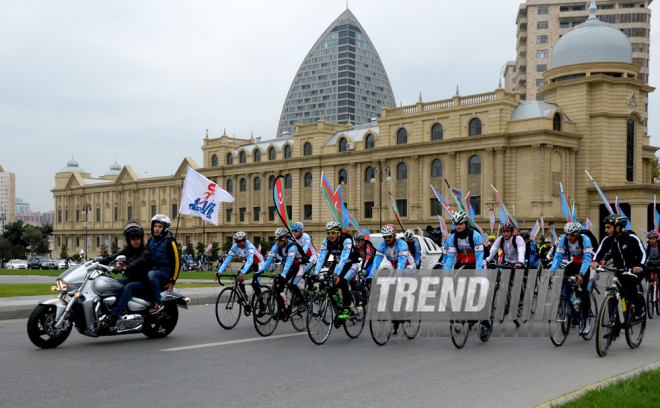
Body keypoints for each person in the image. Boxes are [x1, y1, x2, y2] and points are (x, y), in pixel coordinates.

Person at [591, 214, 647, 318]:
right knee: (615, 291)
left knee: (628, 283)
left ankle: (639, 307)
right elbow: (599, 252)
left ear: (617, 227)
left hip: (634, 270)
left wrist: (640, 266)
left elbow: (643, 253)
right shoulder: (608, 240)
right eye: (605, 227)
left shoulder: (631, 237)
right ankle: (615, 326)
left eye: (608, 227)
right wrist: (595, 261)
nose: (606, 230)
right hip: (620, 271)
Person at [98, 222, 151, 328]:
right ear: (129, 240)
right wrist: (97, 261)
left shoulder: (145, 250)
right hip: (131, 278)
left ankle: (115, 316)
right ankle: (107, 309)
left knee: (129, 287)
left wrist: (124, 268)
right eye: (133, 238)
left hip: (143, 281)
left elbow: (138, 263)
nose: (136, 241)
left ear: (141, 238)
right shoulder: (128, 249)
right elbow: (114, 256)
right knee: (110, 283)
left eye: (138, 238)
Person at [550, 222, 594, 334]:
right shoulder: (564, 239)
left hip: (586, 263)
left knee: (584, 292)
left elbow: (587, 259)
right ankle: (568, 302)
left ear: (578, 234)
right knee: (563, 277)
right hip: (575, 261)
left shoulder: (585, 239)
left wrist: (581, 274)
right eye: (567, 234)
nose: (569, 237)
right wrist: (552, 270)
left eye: (572, 235)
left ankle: (586, 320)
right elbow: (558, 256)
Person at [372, 224, 416, 334]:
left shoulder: (402, 244)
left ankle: (409, 301)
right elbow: (377, 261)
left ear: (394, 236)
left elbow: (402, 263)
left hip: (408, 266)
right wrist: (371, 276)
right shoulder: (382, 245)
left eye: (389, 236)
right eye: (385, 237)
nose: (387, 239)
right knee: (390, 295)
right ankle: (395, 322)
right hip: (395, 267)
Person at [314, 221, 362, 319]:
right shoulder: (326, 242)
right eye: (328, 233)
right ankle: (338, 307)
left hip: (353, 263)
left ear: (338, 232)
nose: (330, 235)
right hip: (339, 264)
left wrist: (336, 274)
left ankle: (347, 308)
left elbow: (344, 258)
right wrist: (316, 273)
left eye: (333, 232)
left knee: (343, 281)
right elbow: (321, 258)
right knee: (329, 284)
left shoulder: (346, 240)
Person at [257, 228, 306, 307]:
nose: (278, 242)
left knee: (292, 285)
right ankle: (282, 309)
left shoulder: (292, 246)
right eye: (276, 239)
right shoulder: (276, 246)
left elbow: (289, 261)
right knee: (279, 287)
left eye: (280, 240)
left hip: (300, 265)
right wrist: (261, 271)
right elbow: (269, 260)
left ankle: (302, 302)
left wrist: (283, 274)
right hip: (291, 266)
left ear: (286, 239)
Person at [215, 231, 266, 303]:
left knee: (255, 284)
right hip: (250, 263)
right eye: (239, 241)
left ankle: (262, 306)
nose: (242, 243)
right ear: (236, 242)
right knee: (238, 274)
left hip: (259, 263)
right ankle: (244, 295)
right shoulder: (234, 247)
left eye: (243, 240)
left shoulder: (249, 246)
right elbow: (227, 260)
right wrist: (220, 271)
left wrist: (243, 273)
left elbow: (250, 261)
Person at [146, 214, 180, 315]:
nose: (157, 229)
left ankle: (158, 302)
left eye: (160, 227)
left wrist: (173, 281)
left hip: (164, 273)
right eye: (155, 226)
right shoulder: (150, 241)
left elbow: (177, 262)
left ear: (165, 228)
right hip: (152, 270)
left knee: (152, 274)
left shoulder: (170, 241)